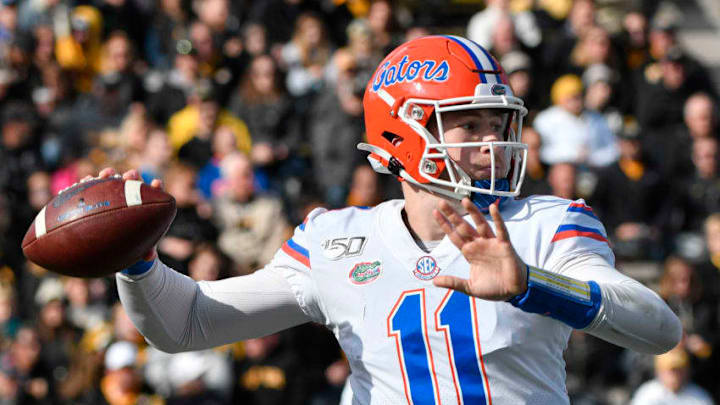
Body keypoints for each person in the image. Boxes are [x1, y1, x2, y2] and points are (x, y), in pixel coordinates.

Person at [103, 36, 680, 404]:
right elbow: (186, 324)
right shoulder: (335, 240)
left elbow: (659, 329)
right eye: (470, 124)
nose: (492, 144)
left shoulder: (545, 224)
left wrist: (534, 287)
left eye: (498, 125)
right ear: (404, 133)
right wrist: (136, 261)